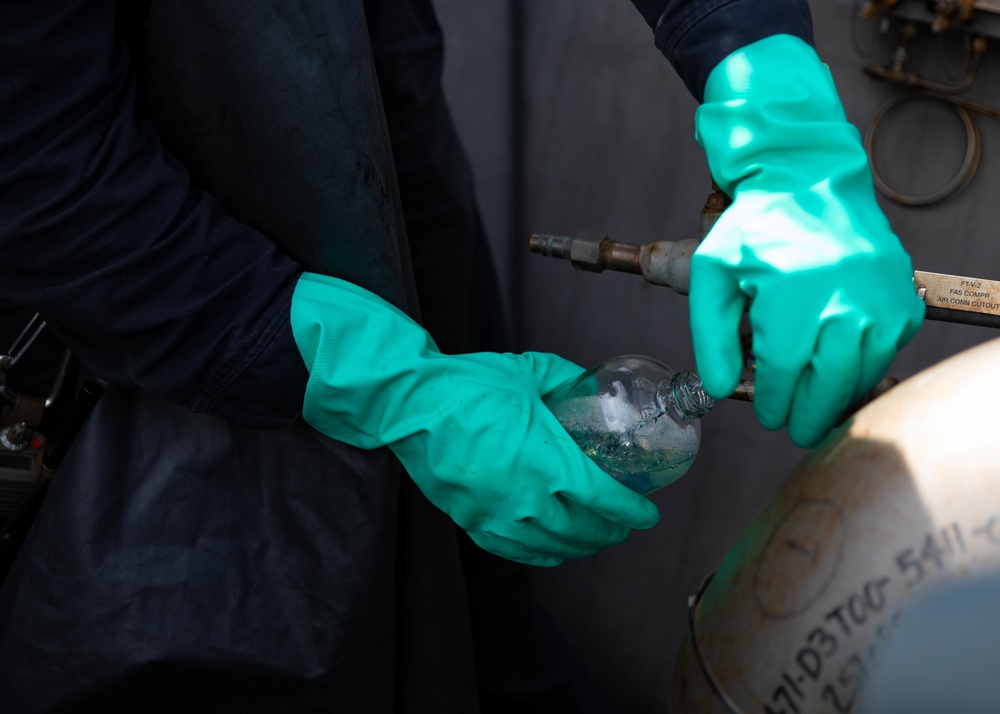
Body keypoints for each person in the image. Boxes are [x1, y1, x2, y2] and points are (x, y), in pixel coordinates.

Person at [0, 0, 923, 712]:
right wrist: (389, 384)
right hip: (166, 332)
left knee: (471, 617)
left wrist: (767, 88)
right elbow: (44, 174)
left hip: (375, 164)